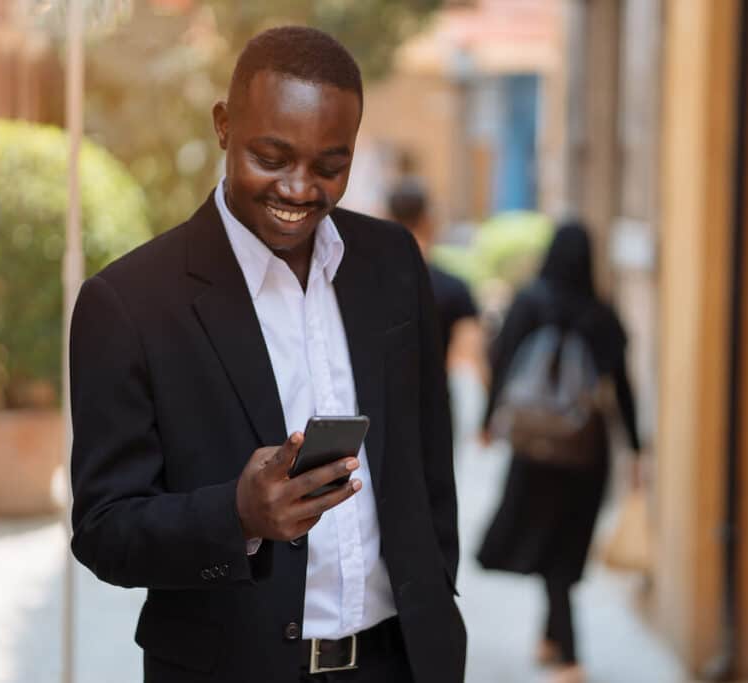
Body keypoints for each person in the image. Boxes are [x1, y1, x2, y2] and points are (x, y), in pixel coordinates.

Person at [69, 26, 464, 683]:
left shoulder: (394, 263)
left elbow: (429, 466)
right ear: (224, 126)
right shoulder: (129, 302)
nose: (299, 188)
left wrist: (437, 606)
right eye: (272, 156)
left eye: (329, 165)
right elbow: (105, 529)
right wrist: (237, 515)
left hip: (403, 663)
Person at [477, 222, 642, 683]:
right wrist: (635, 449)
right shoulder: (601, 313)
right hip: (585, 450)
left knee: (546, 544)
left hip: (534, 447)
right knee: (566, 545)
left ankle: (567, 653)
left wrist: (488, 420)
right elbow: (623, 387)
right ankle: (557, 643)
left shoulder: (530, 301)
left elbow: (502, 360)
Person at [387, 177, 485, 383]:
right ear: (427, 220)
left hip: (378, 404)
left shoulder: (368, 284)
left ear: (388, 217)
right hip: (435, 401)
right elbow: (468, 363)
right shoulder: (454, 288)